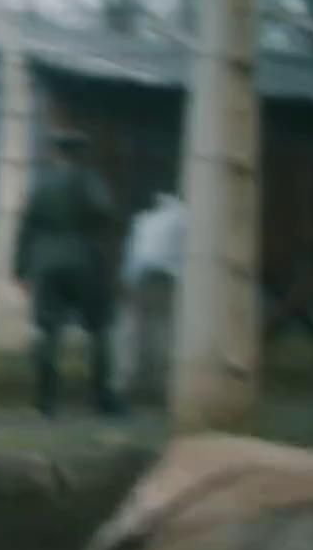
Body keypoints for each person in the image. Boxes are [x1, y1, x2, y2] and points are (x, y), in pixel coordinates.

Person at [14, 128, 122, 417]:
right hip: (84, 261)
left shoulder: (42, 185)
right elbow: (105, 215)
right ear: (81, 153)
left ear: (57, 153)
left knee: (48, 331)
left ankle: (45, 401)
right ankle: (102, 398)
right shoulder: (89, 182)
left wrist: (21, 269)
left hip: (46, 263)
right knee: (98, 329)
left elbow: (25, 227)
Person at [113, 191, 185, 405]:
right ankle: (161, 382)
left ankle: (126, 381)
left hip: (141, 276)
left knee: (133, 330)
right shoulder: (185, 216)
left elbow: (134, 255)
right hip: (169, 276)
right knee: (164, 329)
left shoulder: (143, 219)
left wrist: (126, 280)